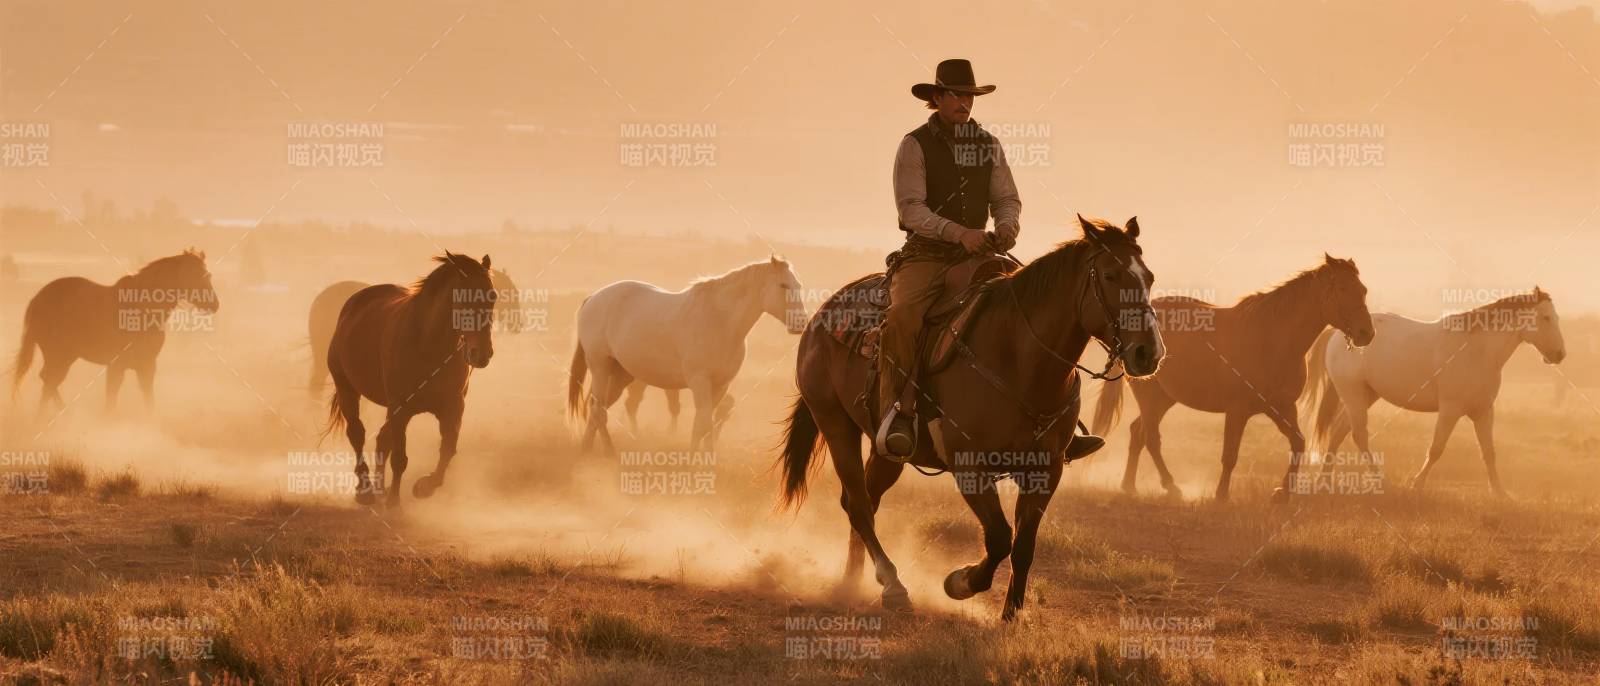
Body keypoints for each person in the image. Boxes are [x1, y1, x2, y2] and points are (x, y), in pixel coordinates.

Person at [876, 58, 1104, 463]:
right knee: (903, 317)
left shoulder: (989, 144)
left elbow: (1006, 198)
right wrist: (958, 232)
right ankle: (899, 413)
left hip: (981, 254)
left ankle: (1060, 424)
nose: (965, 102)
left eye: (970, 96)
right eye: (956, 95)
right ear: (937, 98)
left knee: (1040, 309)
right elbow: (910, 207)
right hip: (927, 257)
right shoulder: (914, 145)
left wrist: (1008, 225)